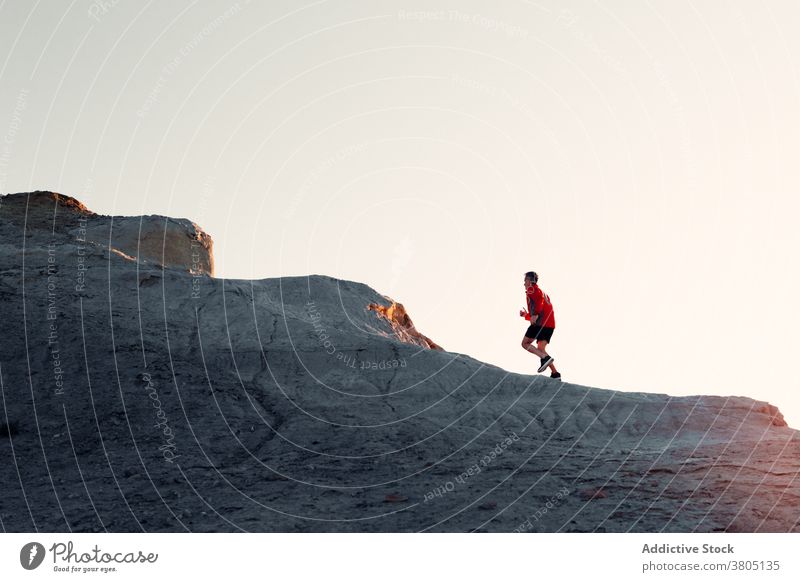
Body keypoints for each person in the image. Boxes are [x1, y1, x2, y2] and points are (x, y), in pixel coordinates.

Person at [519, 271, 561, 379]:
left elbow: (539, 303)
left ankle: (544, 358)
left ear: (530, 281)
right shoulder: (541, 292)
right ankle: (555, 374)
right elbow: (541, 308)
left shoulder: (531, 289)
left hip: (541, 323)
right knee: (541, 348)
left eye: (525, 280)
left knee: (525, 343)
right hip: (550, 325)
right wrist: (526, 315)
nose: (524, 283)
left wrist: (535, 314)